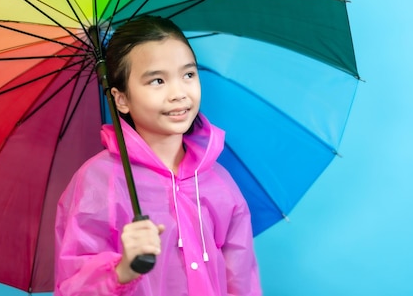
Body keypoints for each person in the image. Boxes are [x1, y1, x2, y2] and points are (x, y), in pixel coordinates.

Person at [54, 16, 261, 296]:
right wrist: (122, 270)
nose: (178, 93)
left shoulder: (219, 182)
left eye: (188, 74)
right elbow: (72, 287)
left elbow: (242, 281)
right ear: (121, 98)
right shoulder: (98, 182)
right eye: (157, 80)